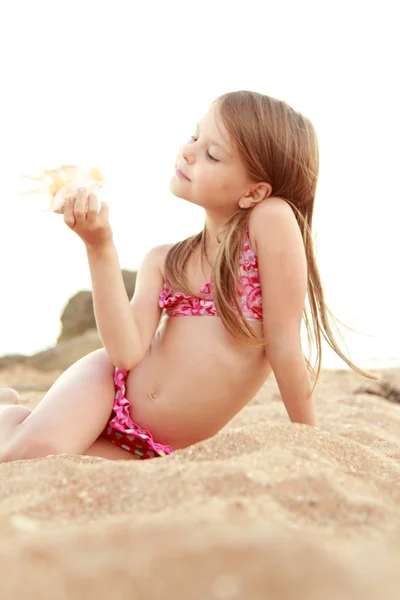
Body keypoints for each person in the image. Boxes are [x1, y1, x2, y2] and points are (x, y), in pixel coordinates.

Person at [0, 90, 373, 463]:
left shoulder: (269, 219)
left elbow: (284, 344)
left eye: (212, 154)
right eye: (195, 137)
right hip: (105, 389)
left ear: (254, 191)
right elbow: (126, 353)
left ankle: (12, 416)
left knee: (58, 458)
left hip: (154, 449)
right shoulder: (164, 260)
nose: (189, 152)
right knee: (34, 455)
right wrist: (100, 247)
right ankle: (14, 417)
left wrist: (313, 445)